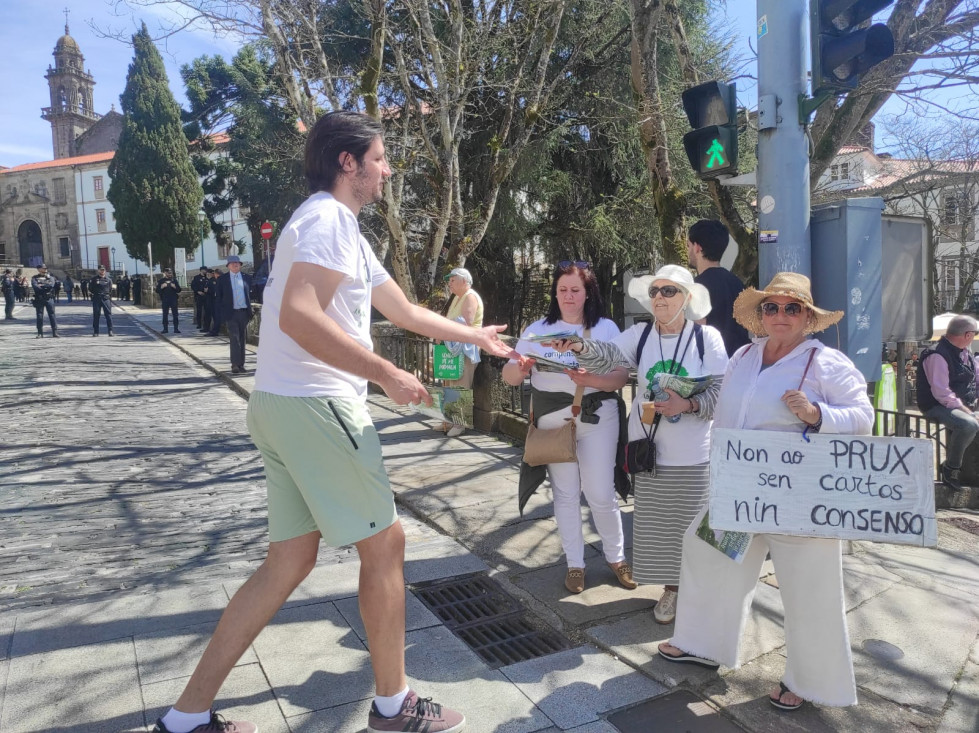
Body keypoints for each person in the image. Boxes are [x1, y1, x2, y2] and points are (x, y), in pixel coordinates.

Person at [151, 111, 514, 733]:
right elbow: (295, 315)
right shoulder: (326, 221)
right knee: (388, 544)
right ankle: (395, 706)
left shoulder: (339, 228)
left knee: (287, 562)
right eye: (379, 158)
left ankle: (185, 719)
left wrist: (473, 332)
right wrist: (385, 374)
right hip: (318, 405)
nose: (387, 169)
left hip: (280, 406)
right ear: (348, 163)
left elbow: (399, 308)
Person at [657, 272, 874, 713]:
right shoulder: (744, 355)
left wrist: (817, 414)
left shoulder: (826, 362)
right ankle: (703, 643)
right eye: (771, 307)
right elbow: (727, 407)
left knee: (809, 586)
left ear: (807, 317)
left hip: (798, 495)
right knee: (707, 555)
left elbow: (863, 417)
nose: (780, 315)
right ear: (760, 314)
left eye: (791, 308)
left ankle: (812, 682)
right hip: (739, 488)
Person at [558, 264, 727, 623]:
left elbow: (721, 390)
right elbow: (606, 354)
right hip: (648, 448)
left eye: (669, 291)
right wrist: (578, 345)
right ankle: (671, 591)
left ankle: (698, 594)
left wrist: (689, 404)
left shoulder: (705, 339)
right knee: (658, 528)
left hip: (693, 453)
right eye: (654, 292)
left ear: (688, 298)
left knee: (694, 527)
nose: (660, 298)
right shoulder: (642, 334)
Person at [503, 260, 635, 595]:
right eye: (562, 290)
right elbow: (509, 376)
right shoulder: (536, 330)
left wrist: (588, 378)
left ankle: (616, 558)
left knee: (601, 493)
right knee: (564, 493)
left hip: (596, 418)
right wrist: (522, 367)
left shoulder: (604, 328)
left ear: (588, 292)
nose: (568, 296)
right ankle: (574, 564)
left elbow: (621, 376)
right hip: (553, 423)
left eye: (575, 290)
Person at [916, 314, 979, 491]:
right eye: (974, 334)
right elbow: (941, 393)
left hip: (963, 404)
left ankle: (972, 473)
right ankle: (951, 468)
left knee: (972, 422)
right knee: (968, 425)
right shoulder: (936, 354)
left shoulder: (966, 352)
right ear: (967, 335)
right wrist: (969, 412)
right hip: (936, 405)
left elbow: (976, 378)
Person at [687, 219, 751, 357]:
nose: (687, 251)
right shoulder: (738, 284)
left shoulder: (696, 288)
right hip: (740, 363)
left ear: (697, 247)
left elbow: (696, 333)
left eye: (688, 246)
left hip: (712, 366)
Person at [438, 267, 484, 436]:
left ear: (464, 281)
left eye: (452, 280)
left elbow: (466, 322)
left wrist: (441, 328)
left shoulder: (470, 297)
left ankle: (460, 424)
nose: (449, 283)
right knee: (450, 383)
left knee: (461, 385)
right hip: (454, 347)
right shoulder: (458, 298)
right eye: (449, 280)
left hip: (465, 348)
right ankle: (450, 420)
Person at [213, 256, 252, 373]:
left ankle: (241, 364)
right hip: (231, 313)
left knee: (242, 338)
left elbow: (251, 293)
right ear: (228, 266)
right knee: (234, 338)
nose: (235, 265)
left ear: (240, 265)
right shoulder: (222, 279)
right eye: (233, 263)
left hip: (244, 312)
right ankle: (235, 364)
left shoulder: (247, 278)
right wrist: (222, 313)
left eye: (237, 263)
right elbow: (218, 298)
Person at [31, 264, 59, 338]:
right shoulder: (34, 278)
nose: (45, 269)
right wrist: (45, 286)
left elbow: (51, 285)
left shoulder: (51, 277)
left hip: (49, 298)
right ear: (39, 269)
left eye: (46, 268)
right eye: (43, 268)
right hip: (39, 298)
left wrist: (42, 286)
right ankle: (40, 333)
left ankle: (55, 332)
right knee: (39, 316)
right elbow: (35, 287)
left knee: (52, 315)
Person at [89, 265, 114, 336]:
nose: (102, 271)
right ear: (98, 270)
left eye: (103, 270)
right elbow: (90, 288)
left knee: (108, 315)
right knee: (96, 315)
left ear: (105, 271)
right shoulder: (94, 279)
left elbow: (110, 289)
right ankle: (96, 332)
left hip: (106, 298)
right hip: (97, 298)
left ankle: (110, 330)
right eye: (100, 270)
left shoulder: (108, 280)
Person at [156, 268, 182, 333]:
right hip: (165, 299)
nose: (170, 274)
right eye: (168, 273)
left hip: (173, 299)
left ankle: (176, 328)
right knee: (165, 314)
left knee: (175, 314)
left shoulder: (174, 280)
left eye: (171, 273)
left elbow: (179, 290)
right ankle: (165, 329)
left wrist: (175, 287)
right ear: (165, 273)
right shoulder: (161, 281)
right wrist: (162, 287)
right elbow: (157, 290)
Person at [204, 267, 222, 335]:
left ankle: (215, 331)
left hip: (215, 301)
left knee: (216, 316)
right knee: (213, 316)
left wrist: (208, 290)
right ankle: (212, 329)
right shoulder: (209, 280)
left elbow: (215, 291)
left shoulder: (216, 280)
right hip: (210, 300)